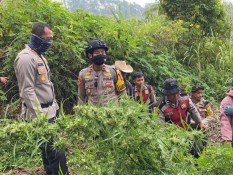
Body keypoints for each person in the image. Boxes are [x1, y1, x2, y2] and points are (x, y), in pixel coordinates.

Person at [14, 22, 68, 175]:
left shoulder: (39, 56)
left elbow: (46, 84)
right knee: (56, 151)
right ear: (37, 37)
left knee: (49, 152)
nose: (49, 42)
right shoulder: (25, 59)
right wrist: (40, 117)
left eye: (51, 39)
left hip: (50, 110)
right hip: (40, 114)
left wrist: (55, 107)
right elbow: (27, 91)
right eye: (47, 38)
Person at [158, 79, 207, 157]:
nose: (176, 96)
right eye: (172, 94)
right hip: (172, 135)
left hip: (186, 129)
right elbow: (160, 125)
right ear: (167, 94)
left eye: (177, 93)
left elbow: (192, 109)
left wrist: (199, 122)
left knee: (198, 147)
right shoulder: (161, 106)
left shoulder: (185, 97)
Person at [77, 39, 126, 106]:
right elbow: (81, 97)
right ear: (90, 55)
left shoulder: (114, 71)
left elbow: (122, 93)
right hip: (93, 114)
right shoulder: (83, 74)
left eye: (103, 52)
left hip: (113, 113)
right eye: (97, 52)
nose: (100, 54)